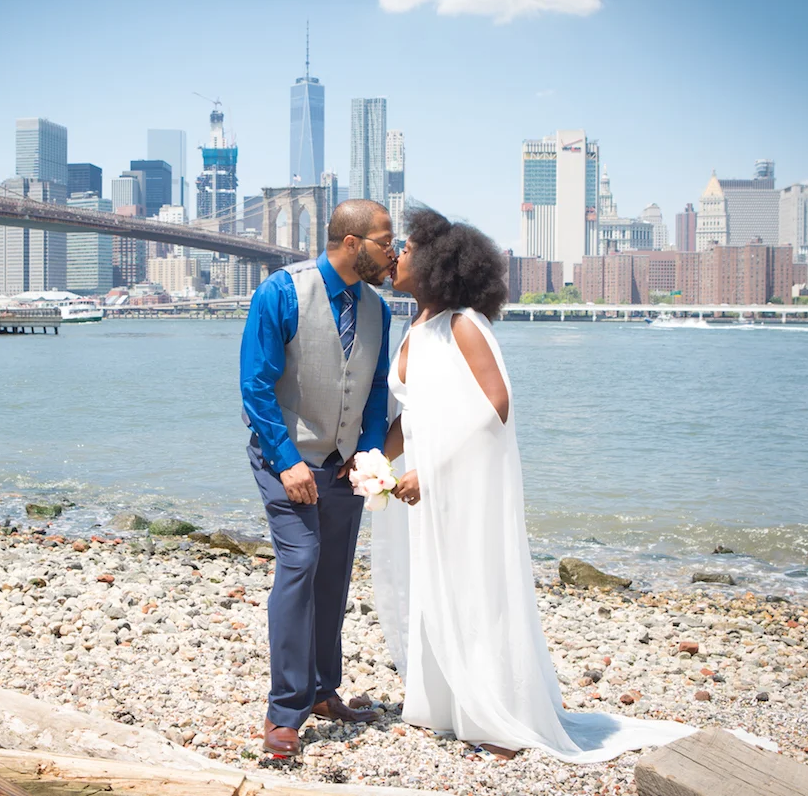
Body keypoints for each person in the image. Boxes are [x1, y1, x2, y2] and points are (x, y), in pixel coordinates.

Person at [373, 208, 698, 761]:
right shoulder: (413, 330)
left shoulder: (464, 324)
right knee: (435, 584)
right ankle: (448, 705)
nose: (396, 256)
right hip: (423, 486)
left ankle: (500, 718)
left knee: (477, 590)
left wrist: (430, 470)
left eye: (405, 248)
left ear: (433, 262)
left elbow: (494, 405)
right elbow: (413, 414)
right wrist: (374, 459)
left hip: (461, 486)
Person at [239, 199, 396, 757]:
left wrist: (370, 454)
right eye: (385, 241)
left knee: (333, 574)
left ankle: (324, 690)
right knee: (301, 563)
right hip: (286, 459)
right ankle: (284, 713)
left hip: (346, 464)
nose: (393, 251)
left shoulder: (378, 309)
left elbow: (375, 388)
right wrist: (285, 459)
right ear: (352, 243)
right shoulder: (281, 291)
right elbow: (255, 384)